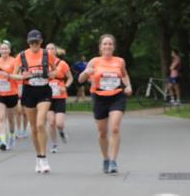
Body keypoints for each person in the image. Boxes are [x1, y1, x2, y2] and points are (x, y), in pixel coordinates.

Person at [78, 33, 133, 174]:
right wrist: (86, 72)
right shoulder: (94, 61)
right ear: (100, 47)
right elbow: (80, 80)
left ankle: (114, 161)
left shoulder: (120, 61)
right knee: (102, 132)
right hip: (99, 97)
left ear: (113, 47)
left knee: (114, 128)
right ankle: (106, 159)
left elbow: (125, 74)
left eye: (110, 44)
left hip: (117, 97)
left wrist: (128, 86)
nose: (107, 46)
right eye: (105, 44)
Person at [11, 30, 59, 173]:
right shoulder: (22, 56)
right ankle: (38, 157)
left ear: (41, 41)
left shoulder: (47, 54)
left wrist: (52, 74)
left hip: (44, 90)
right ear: (28, 43)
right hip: (29, 92)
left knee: (40, 123)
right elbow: (14, 74)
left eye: (36, 42)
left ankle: (44, 158)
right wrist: (22, 76)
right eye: (31, 42)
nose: (34, 45)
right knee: (33, 128)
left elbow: (56, 71)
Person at [0, 40, 19, 151]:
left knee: (11, 119)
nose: (4, 50)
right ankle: (3, 141)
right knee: (1, 117)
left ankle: (11, 136)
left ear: (9, 50)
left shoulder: (15, 61)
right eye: (2, 49)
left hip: (11, 92)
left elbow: (17, 75)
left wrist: (8, 75)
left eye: (6, 48)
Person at [46, 44, 73, 154]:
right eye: (47, 49)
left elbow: (70, 78)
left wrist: (65, 87)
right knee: (51, 123)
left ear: (56, 51)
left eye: (52, 48)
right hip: (47, 96)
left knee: (59, 123)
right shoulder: (42, 64)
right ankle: (54, 144)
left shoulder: (62, 64)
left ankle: (61, 131)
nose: (50, 50)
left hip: (60, 96)